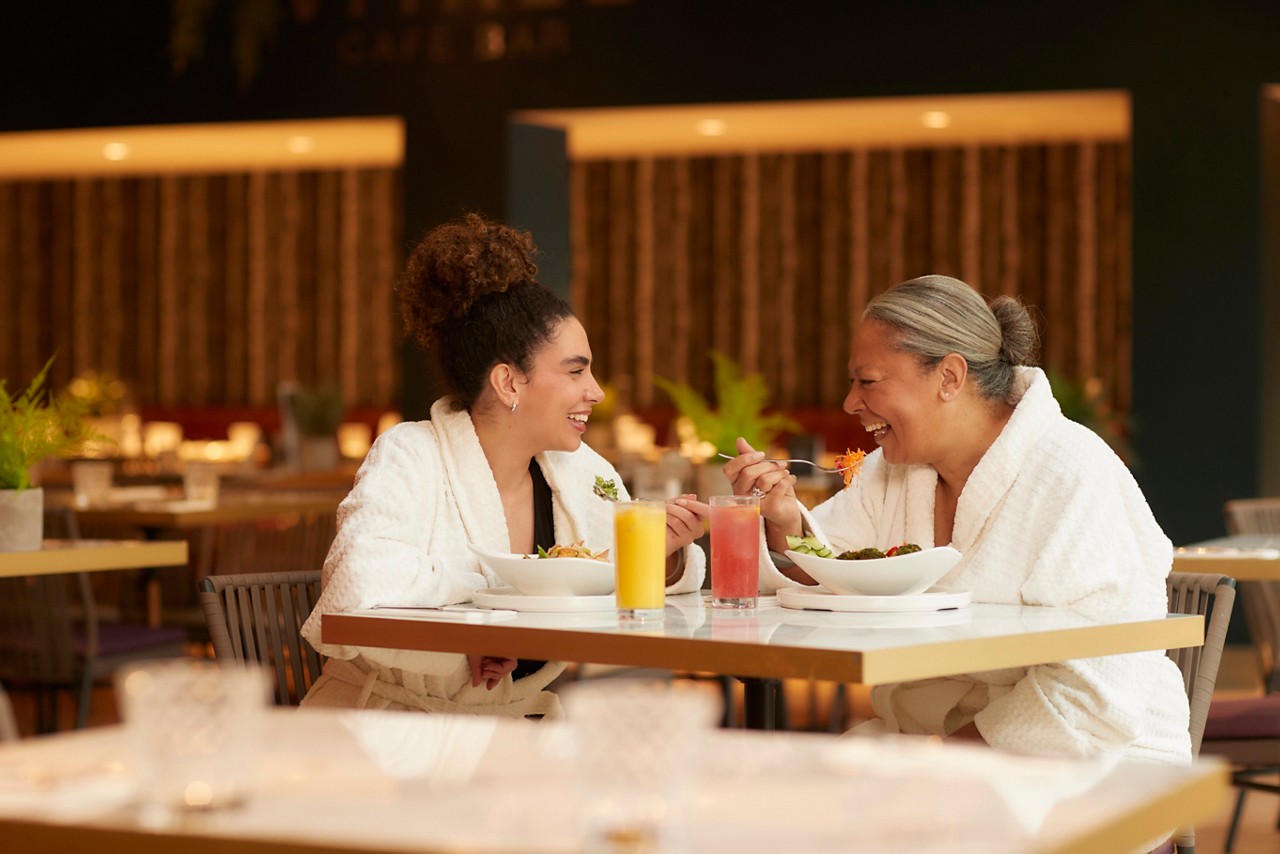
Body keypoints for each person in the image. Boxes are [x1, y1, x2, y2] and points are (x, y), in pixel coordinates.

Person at [724, 274, 1190, 763]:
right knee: (788, 805)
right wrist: (784, 521)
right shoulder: (892, 474)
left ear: (949, 377)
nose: (850, 403)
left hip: (1086, 754)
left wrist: (941, 764)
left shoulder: (1073, 472)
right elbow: (833, 566)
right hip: (925, 742)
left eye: (868, 381)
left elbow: (1100, 688)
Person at [300, 214, 708, 718]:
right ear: (509, 382)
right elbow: (356, 589)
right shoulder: (410, 454)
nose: (596, 392)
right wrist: (495, 607)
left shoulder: (580, 472)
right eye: (576, 370)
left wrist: (660, 552)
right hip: (384, 729)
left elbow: (608, 584)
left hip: (507, 730)